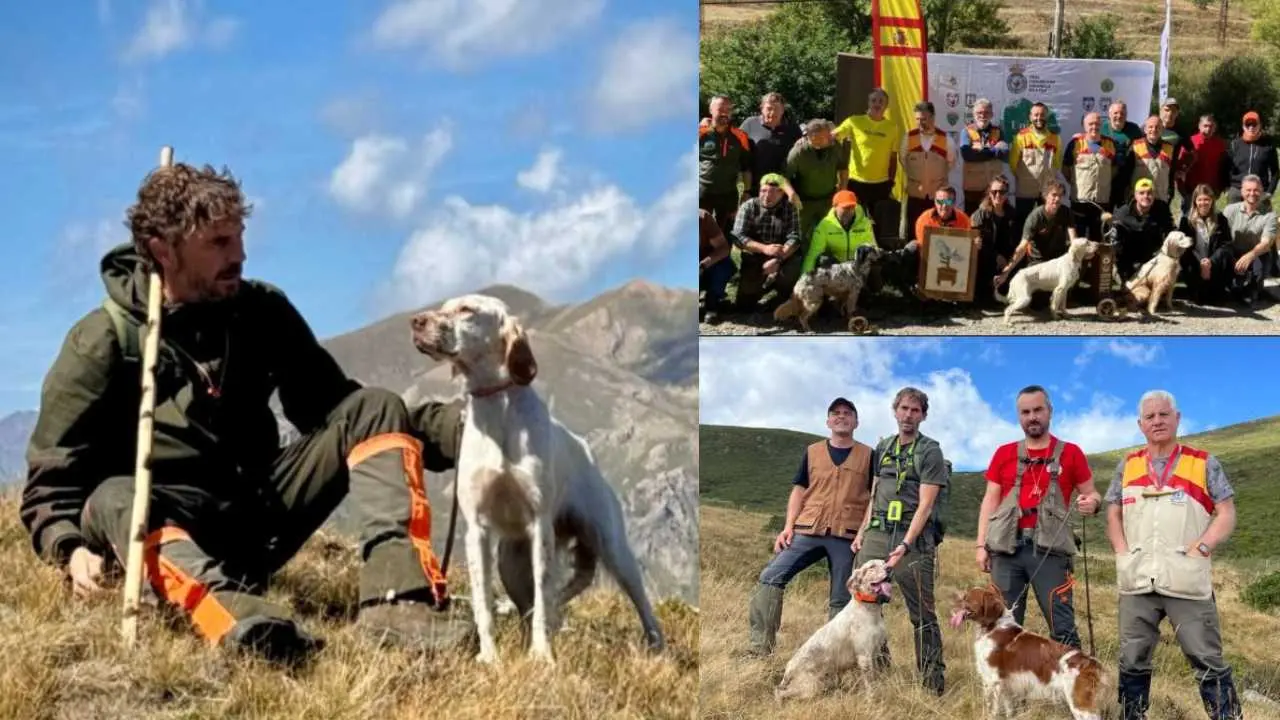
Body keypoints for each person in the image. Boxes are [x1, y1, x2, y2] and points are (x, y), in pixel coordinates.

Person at [19, 162, 475, 663]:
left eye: (238, 237)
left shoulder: (262, 311)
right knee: (114, 494)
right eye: (218, 243)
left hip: (254, 517)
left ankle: (399, 606)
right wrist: (69, 548)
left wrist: (466, 430)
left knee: (374, 406)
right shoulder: (104, 342)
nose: (238, 255)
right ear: (163, 250)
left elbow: (335, 408)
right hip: (161, 529)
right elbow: (50, 484)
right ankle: (244, 623)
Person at [1106, 390, 1242, 720]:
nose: (1157, 421)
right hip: (1137, 580)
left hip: (1187, 580)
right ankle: (1132, 716)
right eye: (1150, 417)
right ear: (1140, 424)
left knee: (1207, 659)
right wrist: (1122, 552)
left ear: (1177, 418)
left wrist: (1202, 548)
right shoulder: (1128, 464)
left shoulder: (1203, 462)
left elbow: (1226, 513)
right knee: (1132, 659)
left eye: (1163, 414)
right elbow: (1113, 512)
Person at [975, 385, 1102, 649]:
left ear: (1049, 411)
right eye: (1025, 412)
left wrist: (1092, 503)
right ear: (1018, 416)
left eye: (1037, 410)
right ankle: (1009, 677)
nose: (1032, 417)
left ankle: (1072, 674)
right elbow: (990, 500)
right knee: (1001, 628)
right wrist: (980, 545)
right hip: (1006, 550)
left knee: (1063, 629)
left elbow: (1092, 493)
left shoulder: (1071, 453)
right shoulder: (1004, 453)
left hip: (1052, 552)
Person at [745, 397, 873, 655]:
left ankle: (836, 657)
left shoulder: (869, 455)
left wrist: (863, 531)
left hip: (847, 535)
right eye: (836, 413)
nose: (841, 416)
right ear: (828, 421)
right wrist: (788, 527)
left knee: (842, 597)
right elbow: (799, 490)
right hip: (807, 529)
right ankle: (760, 649)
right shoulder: (813, 451)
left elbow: (874, 497)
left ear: (856, 422)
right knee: (770, 577)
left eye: (847, 413)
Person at [852, 387, 948, 696]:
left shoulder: (930, 451)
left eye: (915, 410)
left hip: (913, 540)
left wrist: (905, 545)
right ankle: (878, 671)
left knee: (922, 613)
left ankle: (931, 682)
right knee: (866, 605)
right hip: (877, 534)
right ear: (895, 411)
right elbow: (874, 493)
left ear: (923, 415)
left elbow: (926, 505)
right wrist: (862, 532)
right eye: (904, 408)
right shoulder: (883, 447)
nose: (908, 415)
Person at [835, 87, 900, 242]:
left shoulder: (893, 128)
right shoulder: (854, 121)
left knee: (878, 224)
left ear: (886, 106)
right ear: (868, 102)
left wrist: (890, 181)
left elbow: (893, 157)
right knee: (853, 220)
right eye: (874, 100)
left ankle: (875, 251)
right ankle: (852, 250)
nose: (877, 104)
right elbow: (834, 136)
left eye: (881, 101)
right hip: (856, 181)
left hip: (881, 184)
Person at [730, 173, 803, 310]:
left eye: (772, 192)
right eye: (763, 191)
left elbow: (795, 237)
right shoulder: (748, 206)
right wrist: (765, 249)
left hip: (782, 256)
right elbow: (738, 237)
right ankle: (758, 291)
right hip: (755, 255)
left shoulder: (789, 208)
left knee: (793, 267)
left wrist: (778, 259)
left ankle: (782, 296)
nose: (767, 196)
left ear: (781, 193)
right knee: (744, 306)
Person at [996, 180, 1078, 288]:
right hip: (1038, 262)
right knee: (1038, 295)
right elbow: (1022, 247)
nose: (1057, 199)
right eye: (1054, 195)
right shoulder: (1035, 217)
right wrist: (1006, 271)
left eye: (1060, 195)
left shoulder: (1066, 212)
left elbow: (1074, 241)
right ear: (1045, 196)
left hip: (1058, 260)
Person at [899, 101, 957, 242]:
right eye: (917, 119)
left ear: (933, 117)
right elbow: (903, 160)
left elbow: (951, 162)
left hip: (938, 198)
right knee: (913, 235)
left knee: (937, 236)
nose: (920, 123)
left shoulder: (946, 138)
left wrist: (935, 176)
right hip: (915, 196)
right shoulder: (908, 137)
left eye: (924, 119)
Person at [786, 118, 847, 243]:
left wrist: (842, 190)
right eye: (822, 138)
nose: (829, 139)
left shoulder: (835, 147)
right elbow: (784, 176)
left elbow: (843, 169)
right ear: (810, 137)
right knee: (799, 236)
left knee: (831, 234)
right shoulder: (798, 152)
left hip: (828, 200)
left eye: (828, 135)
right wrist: (791, 193)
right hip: (804, 202)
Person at [699, 95, 753, 236]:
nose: (724, 112)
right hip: (702, 192)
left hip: (728, 194)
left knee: (724, 234)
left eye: (728, 109)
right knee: (699, 233)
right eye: (720, 109)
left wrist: (746, 193)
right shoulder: (699, 133)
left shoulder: (740, 136)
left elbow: (746, 167)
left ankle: (723, 251)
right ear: (711, 110)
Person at [1218, 174, 1276, 306]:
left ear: (1262, 191)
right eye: (1248, 190)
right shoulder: (1230, 210)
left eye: (1256, 190)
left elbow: (1266, 243)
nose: (1252, 193)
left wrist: (1250, 255)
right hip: (1233, 252)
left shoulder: (1270, 216)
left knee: (1259, 272)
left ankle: (1254, 289)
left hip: (1257, 254)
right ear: (1242, 191)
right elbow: (1221, 237)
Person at [1063, 111, 1118, 242]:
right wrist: (1078, 183)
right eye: (1090, 124)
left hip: (1102, 200)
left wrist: (1103, 182)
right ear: (1084, 125)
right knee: (1078, 241)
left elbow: (1114, 169)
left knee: (1098, 240)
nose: (1094, 127)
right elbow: (1065, 169)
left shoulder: (1110, 144)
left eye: (1097, 124)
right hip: (1080, 200)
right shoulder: (1075, 143)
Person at [1010, 101, 1063, 236]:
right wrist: (1025, 179)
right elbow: (1013, 164)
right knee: (1022, 224)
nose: (1039, 118)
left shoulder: (1055, 139)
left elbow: (1057, 164)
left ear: (1047, 116)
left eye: (1042, 115)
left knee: (1046, 225)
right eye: (1036, 115)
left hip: (1047, 190)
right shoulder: (1020, 137)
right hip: (1025, 190)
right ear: (1030, 117)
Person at [739, 92, 804, 197]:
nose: (772, 113)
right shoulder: (750, 124)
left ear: (783, 110)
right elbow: (737, 146)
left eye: (777, 109)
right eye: (769, 108)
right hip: (755, 187)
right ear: (762, 108)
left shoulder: (792, 128)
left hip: (784, 187)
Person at [1177, 183, 1233, 305]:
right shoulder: (1186, 220)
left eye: (1207, 199)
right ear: (1195, 201)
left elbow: (1226, 245)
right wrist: (1201, 263)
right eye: (1200, 200)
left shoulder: (1221, 219)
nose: (1203, 203)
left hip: (1214, 263)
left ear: (1212, 201)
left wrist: (1210, 262)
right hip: (1194, 263)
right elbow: (1183, 246)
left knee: (1215, 299)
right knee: (1200, 299)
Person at [1111, 178, 1176, 280]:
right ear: (1135, 195)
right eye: (1141, 193)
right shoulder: (1122, 213)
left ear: (1154, 195)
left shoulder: (1162, 209)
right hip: (1127, 259)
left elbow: (1170, 232)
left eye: (1149, 193)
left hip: (1152, 259)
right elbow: (1115, 242)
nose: (1146, 196)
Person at [800, 190, 876, 275]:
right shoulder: (825, 225)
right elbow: (813, 255)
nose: (849, 211)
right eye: (845, 207)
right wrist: (804, 278)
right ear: (835, 207)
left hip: (859, 266)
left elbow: (873, 248)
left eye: (852, 207)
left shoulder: (865, 223)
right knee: (823, 260)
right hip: (836, 267)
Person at [969, 176, 1019, 304]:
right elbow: (974, 240)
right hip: (985, 259)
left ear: (1006, 194)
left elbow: (1016, 243)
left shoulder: (1013, 215)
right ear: (989, 193)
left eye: (1002, 192)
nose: (998, 195)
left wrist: (1007, 262)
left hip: (1006, 261)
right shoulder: (980, 214)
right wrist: (995, 256)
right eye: (994, 191)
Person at [959, 98, 1010, 211]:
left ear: (992, 114)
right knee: (972, 219)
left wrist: (982, 150)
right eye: (979, 113)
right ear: (974, 114)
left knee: (994, 217)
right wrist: (994, 150)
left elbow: (1005, 153)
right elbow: (967, 155)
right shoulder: (966, 132)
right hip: (973, 188)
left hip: (994, 188)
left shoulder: (999, 131)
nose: (983, 115)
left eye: (986, 112)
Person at [1176, 114, 1229, 218]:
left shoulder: (1220, 144)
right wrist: (1181, 188)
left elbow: (1223, 167)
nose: (1208, 129)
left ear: (1215, 128)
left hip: (1211, 189)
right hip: (1191, 190)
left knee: (1208, 219)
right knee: (1188, 218)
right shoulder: (1190, 142)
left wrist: (1220, 187)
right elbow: (1180, 165)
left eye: (1211, 126)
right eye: (1205, 126)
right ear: (1199, 126)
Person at [1225, 111, 1279, 212]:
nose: (1251, 127)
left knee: (1262, 220)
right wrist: (1228, 187)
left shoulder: (1268, 146)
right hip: (1237, 190)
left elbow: (1275, 171)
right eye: (1248, 124)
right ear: (1243, 126)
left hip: (1259, 191)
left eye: (1254, 124)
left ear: (1260, 125)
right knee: (1233, 219)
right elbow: (1226, 167)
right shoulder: (1235, 145)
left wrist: (1269, 191)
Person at [1103, 101, 1144, 207]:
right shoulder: (1102, 128)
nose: (1119, 116)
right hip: (1107, 176)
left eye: (1122, 113)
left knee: (1123, 209)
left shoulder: (1134, 129)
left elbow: (1143, 147)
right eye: (1116, 113)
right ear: (1109, 114)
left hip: (1127, 176)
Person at [1128, 116, 1177, 204]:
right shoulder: (1135, 146)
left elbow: (1171, 173)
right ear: (1145, 129)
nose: (1154, 129)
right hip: (1139, 200)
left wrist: (1171, 192)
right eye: (1150, 127)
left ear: (1162, 130)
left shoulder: (1170, 148)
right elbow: (1127, 172)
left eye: (1157, 127)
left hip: (1160, 199)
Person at [700, 207, 734, 322]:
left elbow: (723, 249)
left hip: (706, 264)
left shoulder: (703, 218)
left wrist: (703, 265)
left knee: (724, 266)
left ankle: (712, 302)